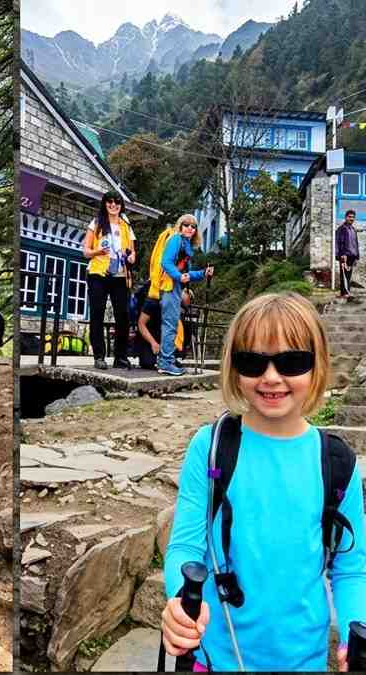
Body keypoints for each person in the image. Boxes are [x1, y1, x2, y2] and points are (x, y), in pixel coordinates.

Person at [160, 292, 366, 671]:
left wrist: (357, 628)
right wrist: (179, 600)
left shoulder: (339, 464)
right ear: (234, 367)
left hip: (304, 662)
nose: (271, 377)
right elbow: (185, 547)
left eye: (291, 361)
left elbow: (352, 567)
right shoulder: (210, 447)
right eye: (252, 362)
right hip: (216, 658)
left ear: (316, 364)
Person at [82, 191, 136, 370]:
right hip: (99, 273)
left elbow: (133, 252)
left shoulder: (126, 225)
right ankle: (99, 356)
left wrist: (131, 258)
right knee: (97, 313)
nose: (114, 205)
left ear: (121, 205)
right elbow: (86, 251)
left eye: (117, 202)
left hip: (120, 274)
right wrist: (98, 252)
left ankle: (120, 356)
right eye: (110, 202)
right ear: (105, 204)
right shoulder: (97, 223)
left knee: (123, 315)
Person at [156, 215, 213, 377]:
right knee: (170, 323)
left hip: (175, 286)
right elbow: (165, 262)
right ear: (180, 226)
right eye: (186, 225)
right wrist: (178, 276)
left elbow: (185, 274)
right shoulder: (176, 239)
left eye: (193, 226)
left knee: (172, 323)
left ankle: (167, 359)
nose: (190, 228)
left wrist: (203, 273)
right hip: (169, 286)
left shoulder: (186, 245)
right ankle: (165, 363)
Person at [134, 287, 190, 370]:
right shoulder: (152, 300)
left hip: (165, 333)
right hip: (150, 334)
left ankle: (172, 357)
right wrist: (153, 343)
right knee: (148, 363)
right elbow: (141, 324)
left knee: (186, 327)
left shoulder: (174, 301)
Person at [337, 210, 359, 299]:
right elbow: (339, 242)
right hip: (345, 255)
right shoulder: (342, 228)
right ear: (346, 217)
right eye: (350, 217)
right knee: (344, 275)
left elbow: (355, 243)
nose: (351, 219)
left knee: (348, 275)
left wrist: (357, 256)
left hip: (352, 256)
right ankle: (345, 293)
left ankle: (345, 292)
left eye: (353, 217)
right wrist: (342, 254)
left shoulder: (353, 229)